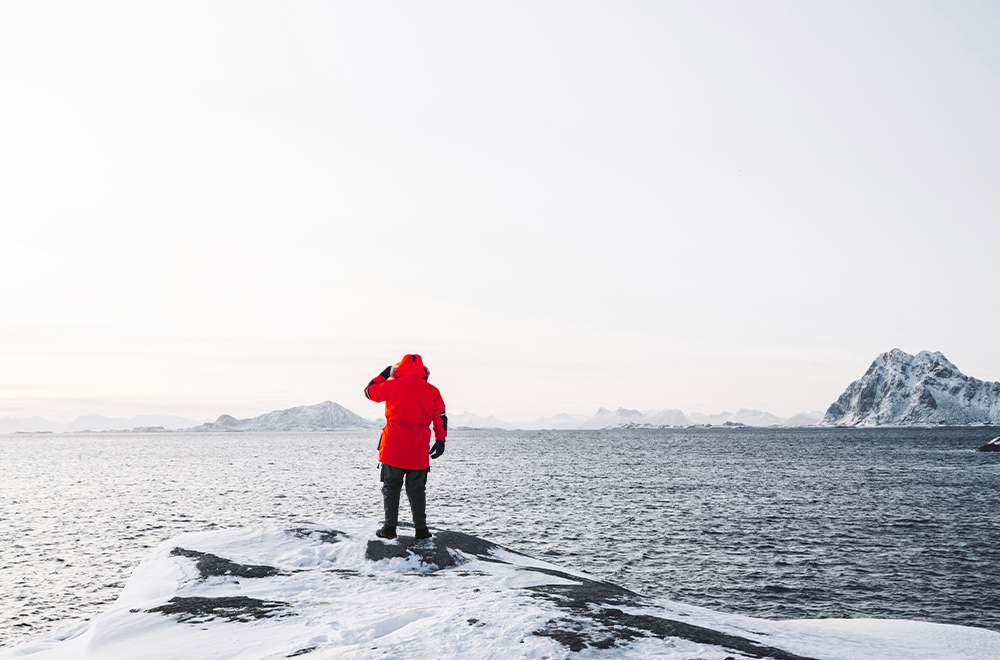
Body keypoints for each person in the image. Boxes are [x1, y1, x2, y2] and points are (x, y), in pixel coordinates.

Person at [364, 353, 447, 540]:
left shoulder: (391, 385)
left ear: (399, 370)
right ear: (423, 372)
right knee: (417, 490)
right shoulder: (432, 391)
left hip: (393, 447)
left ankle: (389, 528)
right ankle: (421, 530)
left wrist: (386, 372)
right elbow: (440, 417)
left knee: (391, 488)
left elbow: (369, 392)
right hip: (418, 450)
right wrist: (440, 441)